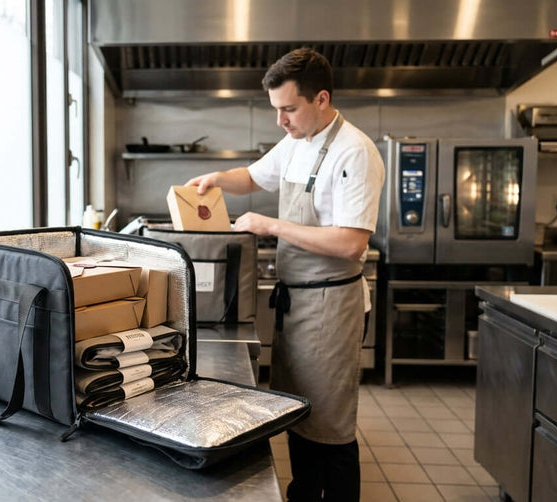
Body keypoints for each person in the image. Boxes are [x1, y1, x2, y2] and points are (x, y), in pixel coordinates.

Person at [186, 48, 384, 501]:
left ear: (321, 99)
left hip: (332, 305)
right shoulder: (297, 141)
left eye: (289, 109)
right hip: (297, 303)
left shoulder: (355, 151)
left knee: (331, 425)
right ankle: (303, 493)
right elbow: (253, 178)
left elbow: (351, 243)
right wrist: (217, 178)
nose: (281, 121)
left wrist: (271, 225)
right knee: (297, 411)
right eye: (276, 109)